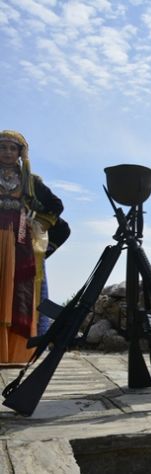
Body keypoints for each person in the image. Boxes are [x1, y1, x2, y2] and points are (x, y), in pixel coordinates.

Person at [0, 130, 64, 363]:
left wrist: (33, 214)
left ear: (20, 152)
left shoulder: (30, 180)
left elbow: (57, 206)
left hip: (20, 243)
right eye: (3, 147)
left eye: (12, 148)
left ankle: (17, 351)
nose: (7, 152)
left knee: (20, 294)